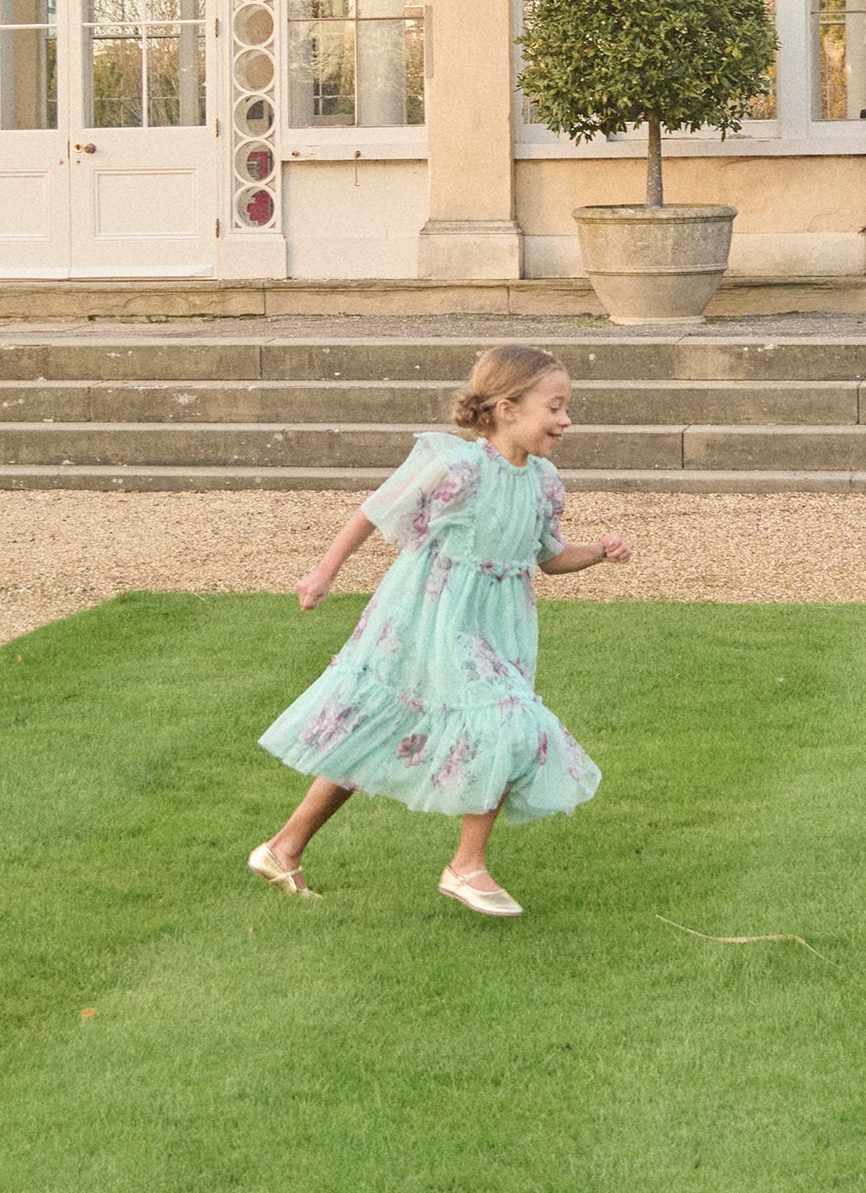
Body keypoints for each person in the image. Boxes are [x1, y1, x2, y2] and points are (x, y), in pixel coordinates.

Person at [250, 344, 632, 920]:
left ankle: (282, 849)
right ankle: (466, 867)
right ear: (506, 409)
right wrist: (324, 573)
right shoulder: (455, 465)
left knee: (402, 727)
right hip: (428, 616)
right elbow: (373, 511)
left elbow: (549, 557)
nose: (566, 420)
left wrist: (598, 552)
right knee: (506, 720)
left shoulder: (544, 481)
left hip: (497, 623)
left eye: (566, 408)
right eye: (554, 407)